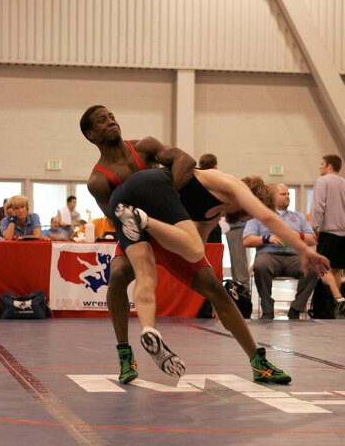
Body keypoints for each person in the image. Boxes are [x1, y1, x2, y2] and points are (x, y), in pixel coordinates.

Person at [80, 105, 329, 386]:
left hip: (170, 224)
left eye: (112, 116)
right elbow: (115, 216)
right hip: (139, 228)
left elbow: (185, 160)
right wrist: (160, 206)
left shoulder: (145, 146)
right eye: (103, 120)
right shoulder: (99, 180)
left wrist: (166, 199)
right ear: (91, 134)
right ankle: (125, 352)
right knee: (117, 276)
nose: (111, 121)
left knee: (215, 289)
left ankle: (258, 361)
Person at [242, 184, 318, 319]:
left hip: (294, 258)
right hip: (269, 256)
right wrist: (267, 238)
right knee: (260, 265)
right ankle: (267, 309)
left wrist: (298, 235)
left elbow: (312, 239)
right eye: (284, 194)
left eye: (288, 194)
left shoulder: (298, 217)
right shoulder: (261, 216)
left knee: (312, 268)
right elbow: (247, 240)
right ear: (273, 196)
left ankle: (296, 308)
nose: (288, 196)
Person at [310, 154, 345, 312]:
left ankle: (337, 296)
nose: (319, 166)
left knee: (322, 268)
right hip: (343, 233)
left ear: (330, 166)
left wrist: (314, 227)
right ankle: (333, 305)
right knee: (336, 269)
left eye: (322, 163)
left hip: (328, 231)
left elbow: (319, 205)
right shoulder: (344, 182)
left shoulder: (322, 181)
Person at [198, 154, 222, 243]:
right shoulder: (219, 182)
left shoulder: (194, 180)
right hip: (212, 223)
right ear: (215, 166)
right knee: (213, 254)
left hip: (196, 223)